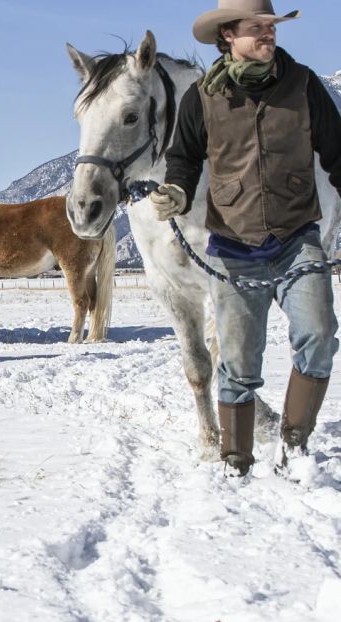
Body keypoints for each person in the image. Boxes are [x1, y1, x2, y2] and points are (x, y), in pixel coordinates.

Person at [152, 0, 341, 475]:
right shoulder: (202, 97)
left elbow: (339, 153)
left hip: (298, 237)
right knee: (237, 365)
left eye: (271, 26)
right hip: (234, 247)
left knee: (319, 337)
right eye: (256, 28)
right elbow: (183, 158)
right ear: (227, 37)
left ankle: (294, 445)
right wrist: (175, 191)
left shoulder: (305, 87)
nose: (268, 34)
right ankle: (235, 464)